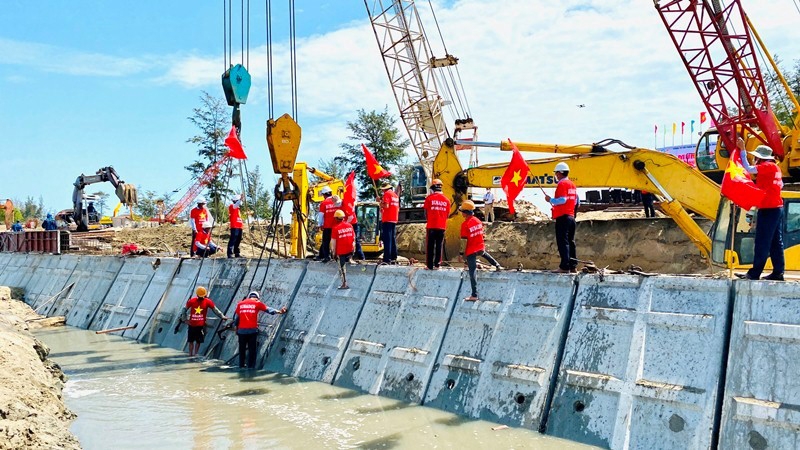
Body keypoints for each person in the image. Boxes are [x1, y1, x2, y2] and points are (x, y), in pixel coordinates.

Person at [739, 141, 785, 281]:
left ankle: (754, 273)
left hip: (768, 209)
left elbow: (748, 169)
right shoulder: (776, 168)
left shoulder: (767, 166)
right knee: (775, 242)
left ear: (760, 158)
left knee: (762, 242)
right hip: (776, 208)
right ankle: (778, 272)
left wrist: (742, 150)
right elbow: (779, 186)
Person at [459, 200, 502, 302]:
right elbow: (481, 235)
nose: (461, 213)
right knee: (484, 254)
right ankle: (497, 265)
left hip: (471, 250)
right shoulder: (478, 221)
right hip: (480, 246)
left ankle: (474, 294)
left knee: (472, 270)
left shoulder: (465, 224)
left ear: (465, 212)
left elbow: (464, 241)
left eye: (462, 211)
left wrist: (461, 254)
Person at [233, 291, 287, 369]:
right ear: (257, 298)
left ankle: (241, 366)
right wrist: (280, 311)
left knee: (242, 349)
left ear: (249, 296)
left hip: (241, 331)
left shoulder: (240, 304)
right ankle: (251, 367)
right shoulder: (257, 303)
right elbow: (269, 310)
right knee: (252, 350)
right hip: (252, 331)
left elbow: (238, 317)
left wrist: (236, 328)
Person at [545, 162, 578, 273]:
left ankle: (564, 267)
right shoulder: (572, 185)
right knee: (571, 242)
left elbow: (563, 200)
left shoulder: (562, 184)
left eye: (556, 173)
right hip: (571, 217)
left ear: (559, 173)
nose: (556, 175)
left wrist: (550, 200)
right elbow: (576, 201)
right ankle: (573, 265)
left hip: (563, 217)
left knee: (563, 242)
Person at [180, 286, 228, 357]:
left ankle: (191, 355)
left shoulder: (192, 301)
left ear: (197, 294)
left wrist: (185, 319)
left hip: (192, 325)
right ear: (205, 295)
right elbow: (215, 310)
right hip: (200, 325)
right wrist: (222, 316)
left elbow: (184, 310)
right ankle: (195, 354)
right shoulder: (207, 301)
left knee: (191, 341)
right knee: (198, 341)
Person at [424, 179, 450, 270]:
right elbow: (447, 214)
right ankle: (437, 265)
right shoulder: (447, 200)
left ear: (433, 188)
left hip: (431, 226)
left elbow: (426, 213)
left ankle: (429, 265)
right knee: (439, 246)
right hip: (442, 226)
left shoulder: (429, 198)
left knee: (430, 246)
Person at [331, 209, 356, 289]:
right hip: (350, 250)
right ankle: (350, 258)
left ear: (336, 218)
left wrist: (333, 253)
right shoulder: (350, 225)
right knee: (348, 260)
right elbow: (353, 239)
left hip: (341, 251)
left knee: (341, 267)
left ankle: (344, 283)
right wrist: (353, 250)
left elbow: (333, 243)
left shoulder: (335, 228)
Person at [379, 183, 399, 264]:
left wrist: (380, 203)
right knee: (392, 239)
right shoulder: (395, 195)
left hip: (387, 219)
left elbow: (386, 205)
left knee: (387, 239)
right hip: (394, 218)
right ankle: (394, 256)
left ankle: (387, 258)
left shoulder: (387, 194)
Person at [317, 186, 335, 262]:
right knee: (335, 241)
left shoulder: (324, 203)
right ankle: (335, 256)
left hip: (327, 226)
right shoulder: (337, 201)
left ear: (324, 195)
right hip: (336, 226)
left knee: (326, 242)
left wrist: (320, 224)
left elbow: (321, 215)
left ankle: (326, 256)